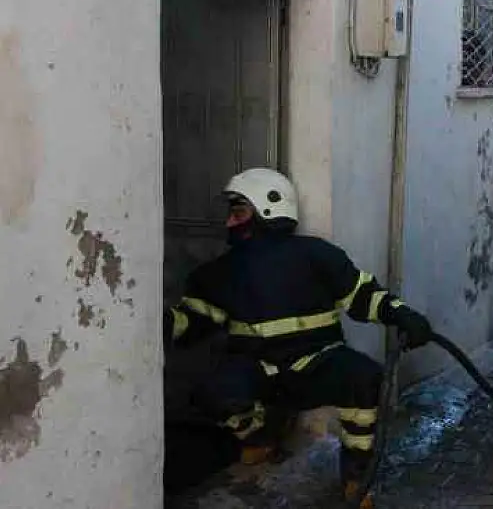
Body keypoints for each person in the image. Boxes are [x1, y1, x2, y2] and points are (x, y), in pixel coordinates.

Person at [163, 168, 433, 508]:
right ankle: (261, 437)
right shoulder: (217, 273)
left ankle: (356, 475)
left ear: (268, 209)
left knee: (365, 378)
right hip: (258, 372)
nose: (230, 223)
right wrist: (153, 324)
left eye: (238, 212)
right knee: (212, 392)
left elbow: (364, 297)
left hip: (318, 364)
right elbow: (193, 322)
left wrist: (404, 315)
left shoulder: (317, 255)